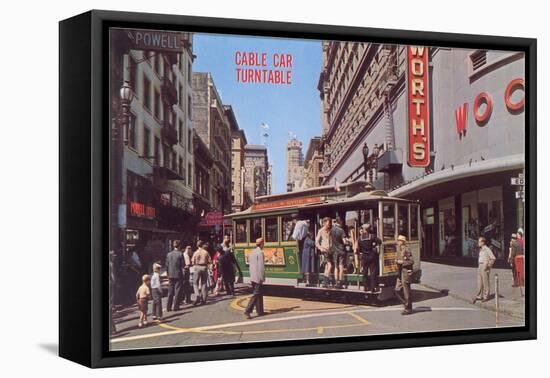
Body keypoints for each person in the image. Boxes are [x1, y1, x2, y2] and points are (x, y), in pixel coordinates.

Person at [356, 224, 382, 293]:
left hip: (364, 257)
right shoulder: (372, 236)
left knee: (365, 272)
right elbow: (380, 241)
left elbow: (358, 248)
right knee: (373, 272)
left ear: (364, 229)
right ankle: (373, 288)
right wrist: (375, 245)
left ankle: (365, 287)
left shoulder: (360, 238)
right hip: (372, 256)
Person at [244, 238, 266, 319]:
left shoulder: (252, 252)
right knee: (256, 294)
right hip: (257, 276)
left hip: (253, 276)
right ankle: (248, 310)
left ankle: (260, 310)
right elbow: (261, 267)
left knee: (259, 293)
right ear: (261, 244)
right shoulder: (260, 253)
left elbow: (250, 265)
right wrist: (262, 277)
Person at [472, 236, 496, 303]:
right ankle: (479, 296)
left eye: (479, 242)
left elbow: (493, 258)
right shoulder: (481, 249)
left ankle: (486, 296)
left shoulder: (487, 249)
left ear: (483, 242)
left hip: (484, 266)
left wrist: (488, 265)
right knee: (479, 282)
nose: (478, 243)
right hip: (480, 266)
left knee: (485, 282)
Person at [395, 235, 414, 315]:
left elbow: (411, 261)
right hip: (400, 272)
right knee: (397, 290)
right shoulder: (399, 250)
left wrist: (402, 262)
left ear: (402, 242)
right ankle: (406, 303)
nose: (398, 242)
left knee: (406, 290)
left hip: (406, 271)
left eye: (399, 240)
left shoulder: (406, 250)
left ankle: (408, 308)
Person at [165, 240, 184, 312]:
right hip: (178, 274)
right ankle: (176, 306)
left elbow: (166, 265)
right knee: (177, 291)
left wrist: (168, 274)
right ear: (179, 246)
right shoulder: (180, 254)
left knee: (170, 291)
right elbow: (182, 265)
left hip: (170, 274)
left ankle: (168, 307)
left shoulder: (169, 254)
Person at [192, 241, 212, 306]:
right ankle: (204, 299)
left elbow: (192, 262)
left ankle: (197, 295)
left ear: (197, 245)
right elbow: (209, 261)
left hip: (197, 267)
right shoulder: (206, 252)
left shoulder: (195, 252)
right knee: (204, 283)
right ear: (202, 245)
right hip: (204, 267)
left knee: (195, 283)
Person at [316, 217, 333, 288]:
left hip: (330, 250)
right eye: (328, 224)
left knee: (327, 267)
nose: (329, 225)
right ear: (324, 223)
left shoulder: (330, 230)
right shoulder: (321, 231)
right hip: (325, 250)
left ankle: (325, 282)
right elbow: (316, 242)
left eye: (329, 224)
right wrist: (321, 248)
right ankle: (326, 281)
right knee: (330, 265)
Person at [331, 217, 348, 289]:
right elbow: (344, 241)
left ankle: (336, 282)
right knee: (341, 266)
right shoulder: (341, 230)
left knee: (335, 267)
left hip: (334, 250)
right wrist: (348, 241)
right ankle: (340, 282)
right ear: (340, 222)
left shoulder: (331, 230)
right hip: (341, 250)